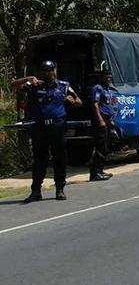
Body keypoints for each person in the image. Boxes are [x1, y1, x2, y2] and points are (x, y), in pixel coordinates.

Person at [12, 60, 82, 203]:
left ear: (55, 71)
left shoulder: (64, 86)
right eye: (46, 70)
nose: (49, 73)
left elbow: (79, 102)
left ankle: (60, 189)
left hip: (58, 126)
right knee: (39, 160)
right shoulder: (34, 86)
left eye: (52, 70)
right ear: (42, 72)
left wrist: (73, 102)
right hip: (40, 128)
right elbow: (13, 85)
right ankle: (36, 191)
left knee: (60, 158)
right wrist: (28, 78)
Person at [88, 69, 118, 182]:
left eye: (110, 76)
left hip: (108, 120)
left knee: (106, 146)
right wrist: (100, 120)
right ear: (101, 77)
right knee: (100, 146)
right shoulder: (97, 88)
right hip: (100, 121)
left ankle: (100, 170)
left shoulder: (107, 89)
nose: (109, 78)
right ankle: (95, 173)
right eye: (106, 76)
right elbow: (95, 105)